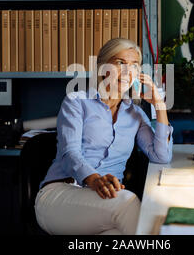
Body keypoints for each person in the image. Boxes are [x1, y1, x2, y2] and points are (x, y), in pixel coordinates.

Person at [34, 38, 173, 235]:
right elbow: (69, 153)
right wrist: (94, 179)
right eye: (120, 63)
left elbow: (161, 156)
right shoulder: (77, 102)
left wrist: (159, 104)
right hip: (59, 196)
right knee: (128, 204)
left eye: (134, 65)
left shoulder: (135, 114)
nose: (127, 72)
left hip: (104, 202)